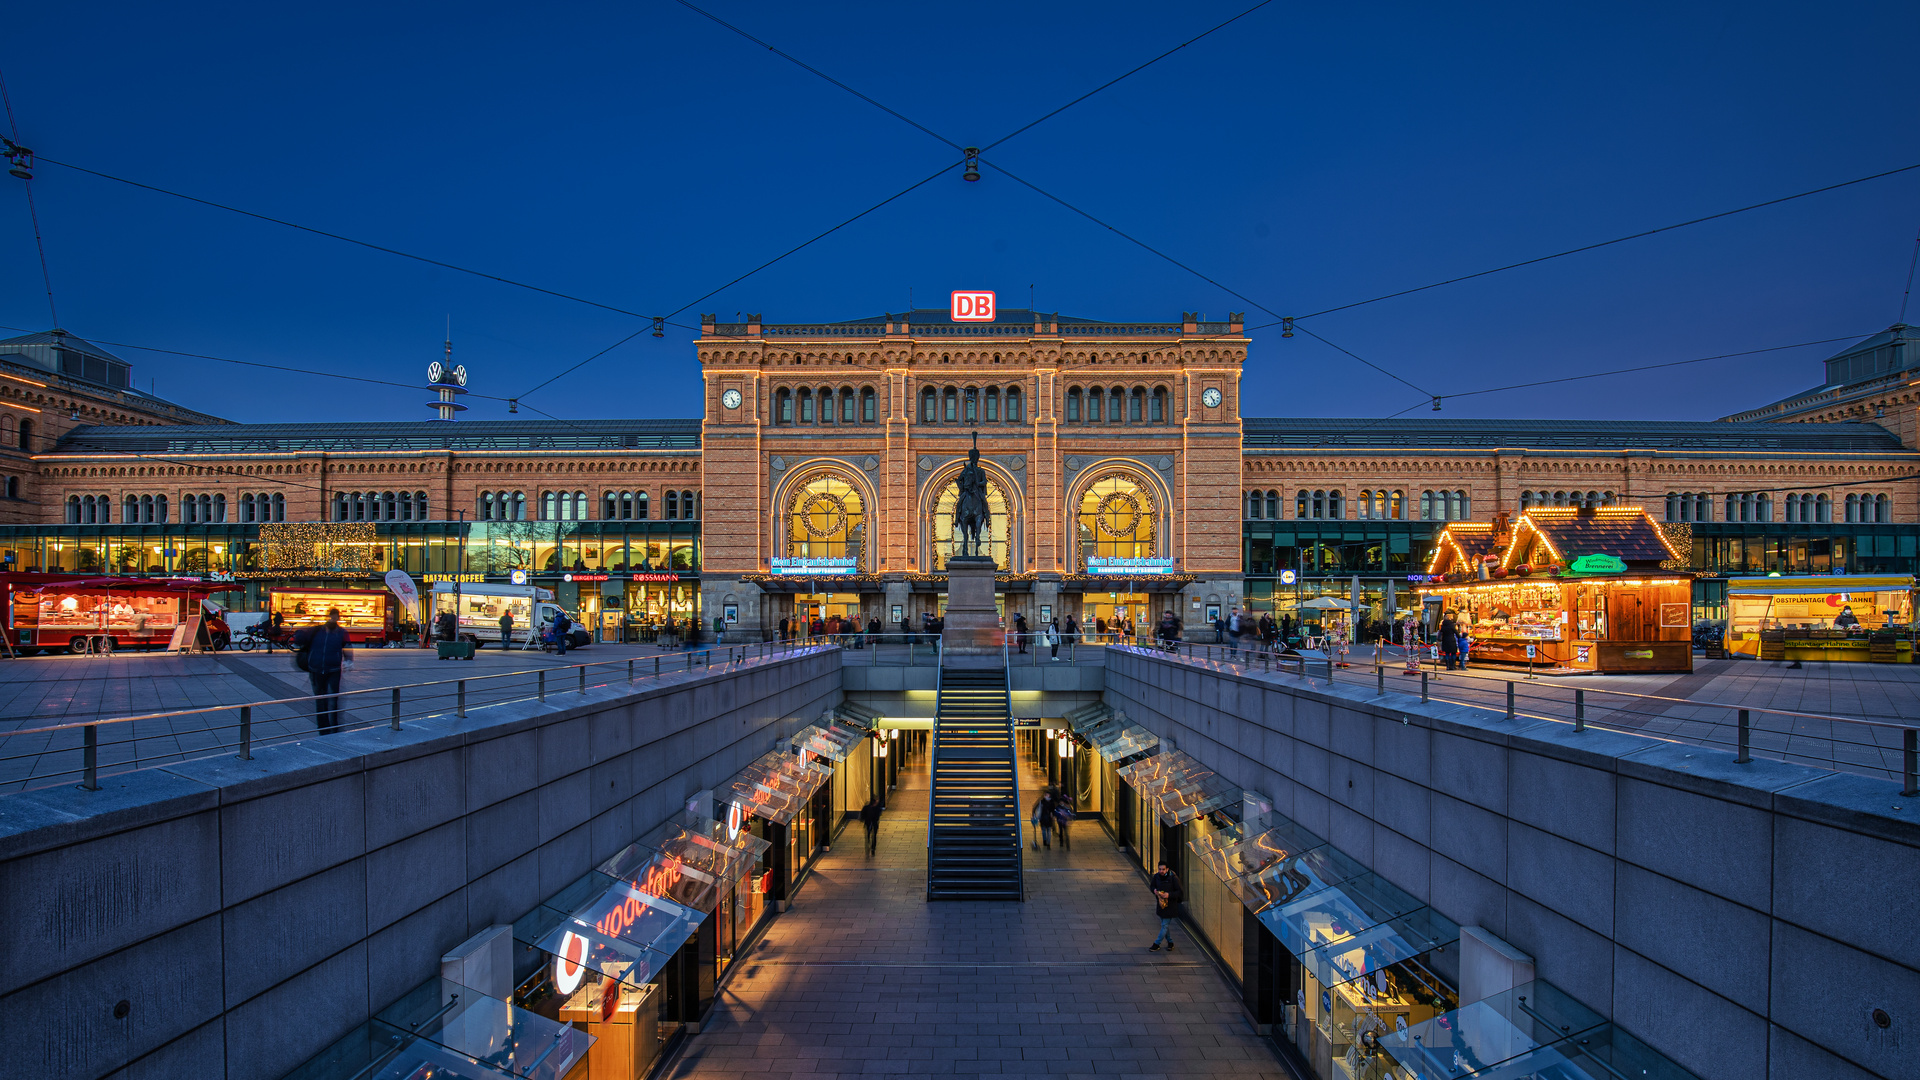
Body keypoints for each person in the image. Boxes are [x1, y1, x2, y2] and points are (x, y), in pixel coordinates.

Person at [294, 608, 352, 734]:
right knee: (321, 700)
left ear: (338, 618)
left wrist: (349, 660)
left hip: (334, 669)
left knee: (334, 699)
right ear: (329, 616)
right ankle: (323, 729)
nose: (333, 619)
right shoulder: (316, 630)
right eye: (332, 616)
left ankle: (335, 727)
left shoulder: (341, 632)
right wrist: (298, 635)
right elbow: (300, 639)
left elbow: (347, 646)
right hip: (316, 669)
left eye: (335, 616)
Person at [1148, 859, 1184, 952]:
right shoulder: (1156, 877)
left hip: (1170, 906)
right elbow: (1152, 886)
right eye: (1159, 869)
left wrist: (1169, 895)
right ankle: (1170, 942)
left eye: (1163, 869)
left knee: (1164, 925)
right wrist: (1154, 891)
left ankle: (1156, 944)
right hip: (1161, 905)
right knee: (1165, 925)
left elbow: (1179, 892)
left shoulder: (1173, 878)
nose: (1161, 871)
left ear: (1167, 869)